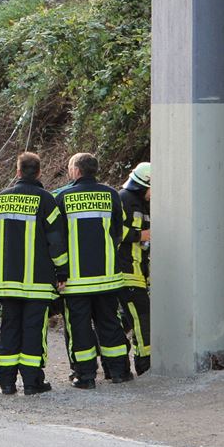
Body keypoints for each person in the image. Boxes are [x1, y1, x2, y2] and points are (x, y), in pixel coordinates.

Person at [0, 152, 68, 395]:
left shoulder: (0, 200)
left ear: (17, 172)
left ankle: (6, 382)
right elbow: (56, 241)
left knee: (9, 329)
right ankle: (32, 382)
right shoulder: (46, 200)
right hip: (37, 284)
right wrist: (62, 270)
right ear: (39, 172)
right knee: (33, 331)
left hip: (6, 283)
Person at [55, 153, 130, 388]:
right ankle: (118, 371)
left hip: (76, 281)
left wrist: (60, 272)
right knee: (110, 323)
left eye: (70, 167)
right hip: (108, 277)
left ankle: (85, 376)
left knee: (79, 328)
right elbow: (120, 230)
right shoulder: (111, 195)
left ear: (76, 171)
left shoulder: (63, 197)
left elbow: (56, 238)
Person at [117, 161, 151, 376]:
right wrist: (141, 235)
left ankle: (110, 354)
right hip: (126, 272)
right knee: (142, 317)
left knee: (125, 320)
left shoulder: (141, 203)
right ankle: (144, 363)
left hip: (137, 272)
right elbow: (114, 231)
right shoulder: (123, 200)